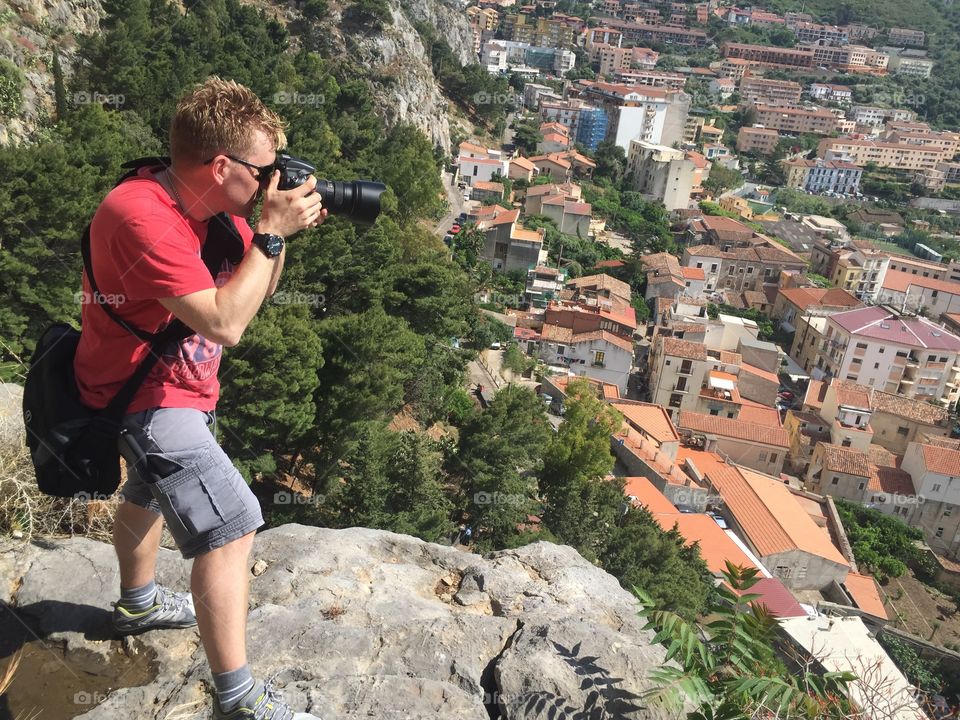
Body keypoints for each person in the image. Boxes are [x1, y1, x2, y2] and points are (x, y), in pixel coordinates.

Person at [74, 76, 327, 720]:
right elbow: (226, 324)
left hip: (176, 387)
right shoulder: (140, 215)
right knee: (230, 528)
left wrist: (276, 235)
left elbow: (255, 293)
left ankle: (138, 603)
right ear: (222, 165)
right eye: (266, 170)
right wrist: (270, 231)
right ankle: (237, 699)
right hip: (145, 398)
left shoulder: (208, 212)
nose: (273, 182)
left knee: (145, 492)